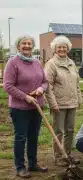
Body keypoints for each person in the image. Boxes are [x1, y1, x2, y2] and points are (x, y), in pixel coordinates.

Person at [3, 36, 48, 178]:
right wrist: (25, 97)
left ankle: (33, 164)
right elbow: (8, 85)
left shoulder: (36, 62)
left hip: (36, 106)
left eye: (30, 43)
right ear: (19, 46)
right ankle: (20, 167)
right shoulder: (13, 63)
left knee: (34, 136)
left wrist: (41, 89)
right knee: (21, 137)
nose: (27, 46)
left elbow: (45, 81)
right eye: (24, 43)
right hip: (20, 108)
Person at [44, 36, 82, 167]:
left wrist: (79, 98)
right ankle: (59, 156)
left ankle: (68, 154)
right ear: (54, 49)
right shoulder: (51, 64)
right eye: (59, 47)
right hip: (58, 103)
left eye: (64, 47)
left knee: (70, 130)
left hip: (72, 102)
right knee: (59, 131)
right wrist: (52, 103)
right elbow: (47, 85)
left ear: (68, 49)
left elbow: (76, 83)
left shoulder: (71, 63)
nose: (62, 49)